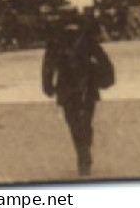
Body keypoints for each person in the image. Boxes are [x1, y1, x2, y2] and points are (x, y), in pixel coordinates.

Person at [42, 15, 114, 177]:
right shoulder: (87, 39)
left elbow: (48, 66)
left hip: (66, 87)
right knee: (86, 119)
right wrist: (107, 80)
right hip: (87, 86)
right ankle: (85, 144)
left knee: (72, 121)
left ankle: (82, 153)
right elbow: (104, 60)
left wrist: (48, 86)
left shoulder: (55, 42)